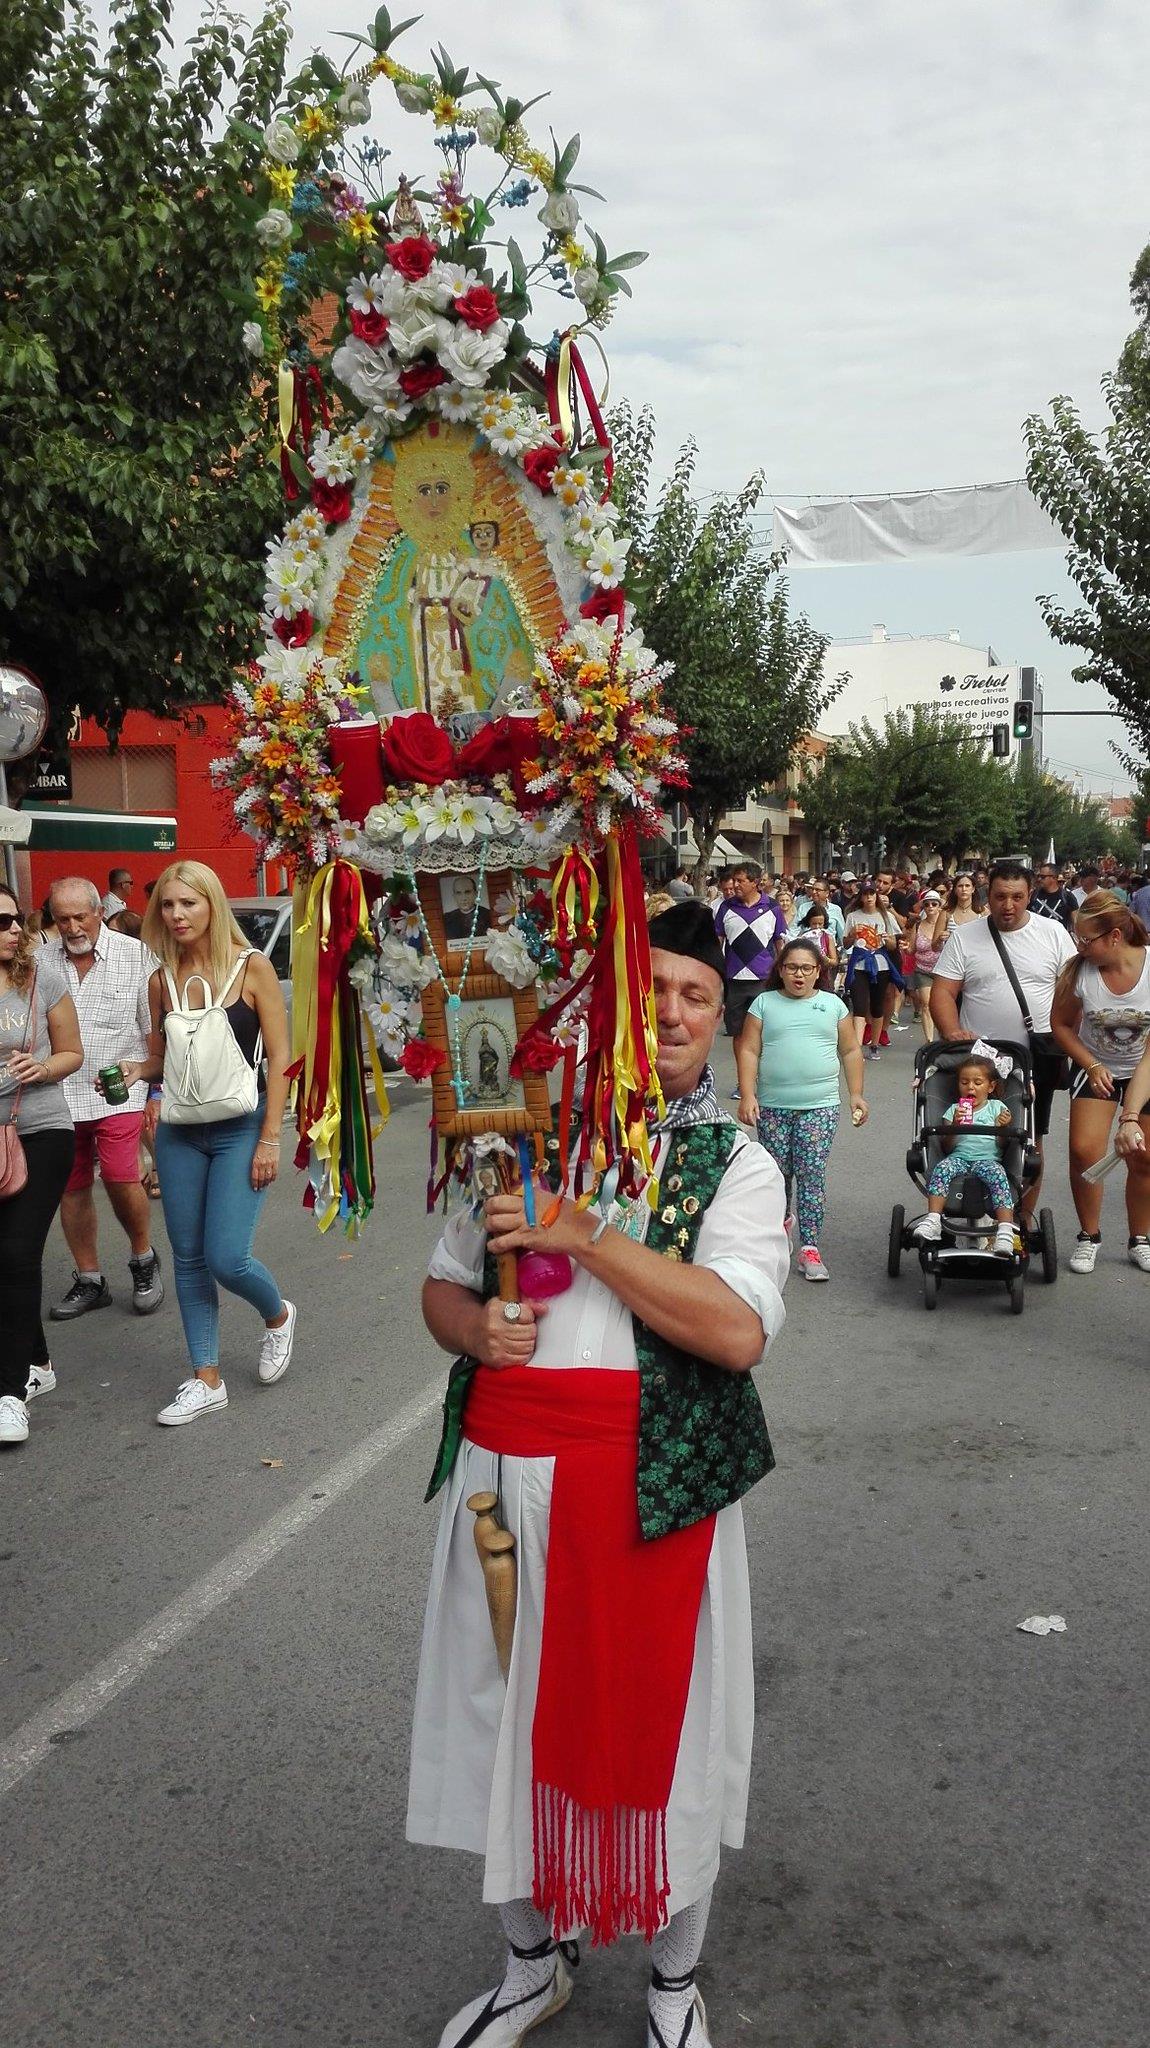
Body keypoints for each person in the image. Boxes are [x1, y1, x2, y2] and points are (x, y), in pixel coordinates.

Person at [409, 901, 789, 2048]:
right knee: (497, 1718)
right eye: (653, 987)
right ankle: (532, 1962)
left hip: (649, 1495)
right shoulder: (518, 1134)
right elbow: (441, 1287)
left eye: (695, 996)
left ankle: (674, 1981)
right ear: (615, 1001)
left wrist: (583, 1235)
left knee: (665, 1734)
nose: (670, 1012)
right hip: (501, 1479)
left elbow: (732, 1333)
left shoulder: (737, 1162)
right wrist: (475, 1332)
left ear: (720, 1021)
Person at [129, 861, 296, 1427]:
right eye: (169, 906)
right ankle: (207, 1378)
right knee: (190, 1258)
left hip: (240, 1129)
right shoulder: (161, 980)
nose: (177, 915)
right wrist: (135, 1071)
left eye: (188, 904)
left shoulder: (252, 969)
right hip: (179, 1132)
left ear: (212, 906)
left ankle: (276, 1316)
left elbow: (281, 1062)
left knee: (228, 1256)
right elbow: (162, 1059)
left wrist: (271, 1138)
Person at [45, 877, 165, 1320]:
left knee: (118, 1176)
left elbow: (153, 1032)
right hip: (57, 1095)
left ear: (100, 911)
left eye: (81, 916)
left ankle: (143, 1258)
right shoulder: (40, 960)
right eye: (63, 919)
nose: (73, 927)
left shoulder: (136, 956)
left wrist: (154, 1089)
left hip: (119, 1089)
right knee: (71, 1186)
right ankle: (90, 1278)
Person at [930, 862, 1076, 1221]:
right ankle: (964, 1204)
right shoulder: (965, 937)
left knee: (1028, 1139)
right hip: (980, 1059)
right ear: (987, 897)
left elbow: (1074, 992)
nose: (1008, 905)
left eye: (1017, 897)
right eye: (1000, 896)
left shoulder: (1053, 933)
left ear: (1030, 896)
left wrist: (1069, 1036)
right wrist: (951, 1032)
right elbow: (943, 994)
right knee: (969, 1129)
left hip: (1035, 1054)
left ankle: (1021, 1217)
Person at [0, 886, 83, 1445]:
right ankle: (38, 1363)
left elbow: (72, 1052)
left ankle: (8, 1396)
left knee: (16, 1253)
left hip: (43, 1130)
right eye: (0, 921)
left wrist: (45, 1067)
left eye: (15, 919)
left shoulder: (40, 980)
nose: (12, 929)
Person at [735, 933, 867, 1282]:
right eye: (792, 967)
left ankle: (810, 1246)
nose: (799, 975)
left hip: (820, 1107)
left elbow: (851, 1051)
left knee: (811, 1175)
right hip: (774, 1107)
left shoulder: (833, 1005)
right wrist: (748, 1095)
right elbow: (749, 1050)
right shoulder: (763, 1004)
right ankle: (776, 1236)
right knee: (776, 1175)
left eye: (807, 968)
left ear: (818, 971)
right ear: (779, 970)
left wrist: (856, 1094)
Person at [1049, 891, 1150, 1272]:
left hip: (1145, 1068)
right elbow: (1059, 1025)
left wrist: (1131, 1115)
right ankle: (1088, 1236)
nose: (1079, 946)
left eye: (1086, 939)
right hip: (1096, 1066)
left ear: (1115, 936)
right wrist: (1090, 1064)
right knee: (1084, 1152)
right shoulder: (1080, 971)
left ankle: (1140, 1237)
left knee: (1144, 1158)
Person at [913, 1051, 1017, 1257]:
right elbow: (947, 1147)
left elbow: (1003, 1146)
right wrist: (954, 1126)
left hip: (988, 1159)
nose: (970, 1087)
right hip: (958, 1158)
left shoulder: (997, 1108)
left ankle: (1005, 1228)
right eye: (964, 1082)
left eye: (978, 1082)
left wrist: (1001, 1129)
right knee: (942, 1168)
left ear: (991, 1086)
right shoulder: (953, 1110)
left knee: (998, 1174)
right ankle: (934, 1218)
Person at [712, 862, 785, 1047]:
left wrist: (783, 972)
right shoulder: (725, 907)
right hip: (734, 980)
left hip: (764, 979)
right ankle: (743, 1075)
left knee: (763, 1032)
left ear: (755, 882)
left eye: (740, 881)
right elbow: (717, 941)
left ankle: (761, 1073)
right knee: (738, 1033)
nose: (735, 885)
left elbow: (780, 942)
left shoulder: (773, 907)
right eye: (733, 880)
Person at [842, 883, 903, 1057]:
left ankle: (874, 1045)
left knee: (877, 1005)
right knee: (859, 1005)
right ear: (860, 897)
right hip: (859, 964)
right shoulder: (853, 916)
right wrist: (853, 935)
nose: (869, 898)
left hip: (880, 964)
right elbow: (846, 943)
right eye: (865, 894)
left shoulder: (886, 917)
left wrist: (887, 939)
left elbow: (893, 945)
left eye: (872, 894)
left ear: (876, 896)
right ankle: (856, 1047)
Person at [908, 889, 944, 1041]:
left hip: (943, 971)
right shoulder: (918, 925)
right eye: (927, 904)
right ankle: (929, 1040)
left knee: (943, 1006)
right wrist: (905, 948)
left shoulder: (947, 925)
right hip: (923, 970)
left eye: (934, 904)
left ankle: (944, 1036)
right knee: (926, 1004)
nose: (930, 907)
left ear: (939, 907)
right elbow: (911, 949)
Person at [931, 872, 982, 950]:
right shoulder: (946, 913)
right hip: (952, 959)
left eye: (967, 886)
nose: (964, 889)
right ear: (955, 889)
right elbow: (934, 947)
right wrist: (940, 939)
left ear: (973, 889)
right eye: (960, 886)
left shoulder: (983, 912)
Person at [1029, 862, 1077, 929]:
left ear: (1054, 878)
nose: (1039, 879)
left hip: (1059, 937)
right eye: (1038, 876)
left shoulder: (1067, 896)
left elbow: (1075, 921)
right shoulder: (1032, 895)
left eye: (1043, 877)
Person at [799, 902, 839, 968]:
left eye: (820, 924)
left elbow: (834, 962)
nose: (817, 926)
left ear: (824, 923)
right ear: (809, 922)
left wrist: (827, 960)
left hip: (823, 973)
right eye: (814, 924)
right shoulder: (804, 936)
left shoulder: (828, 937)